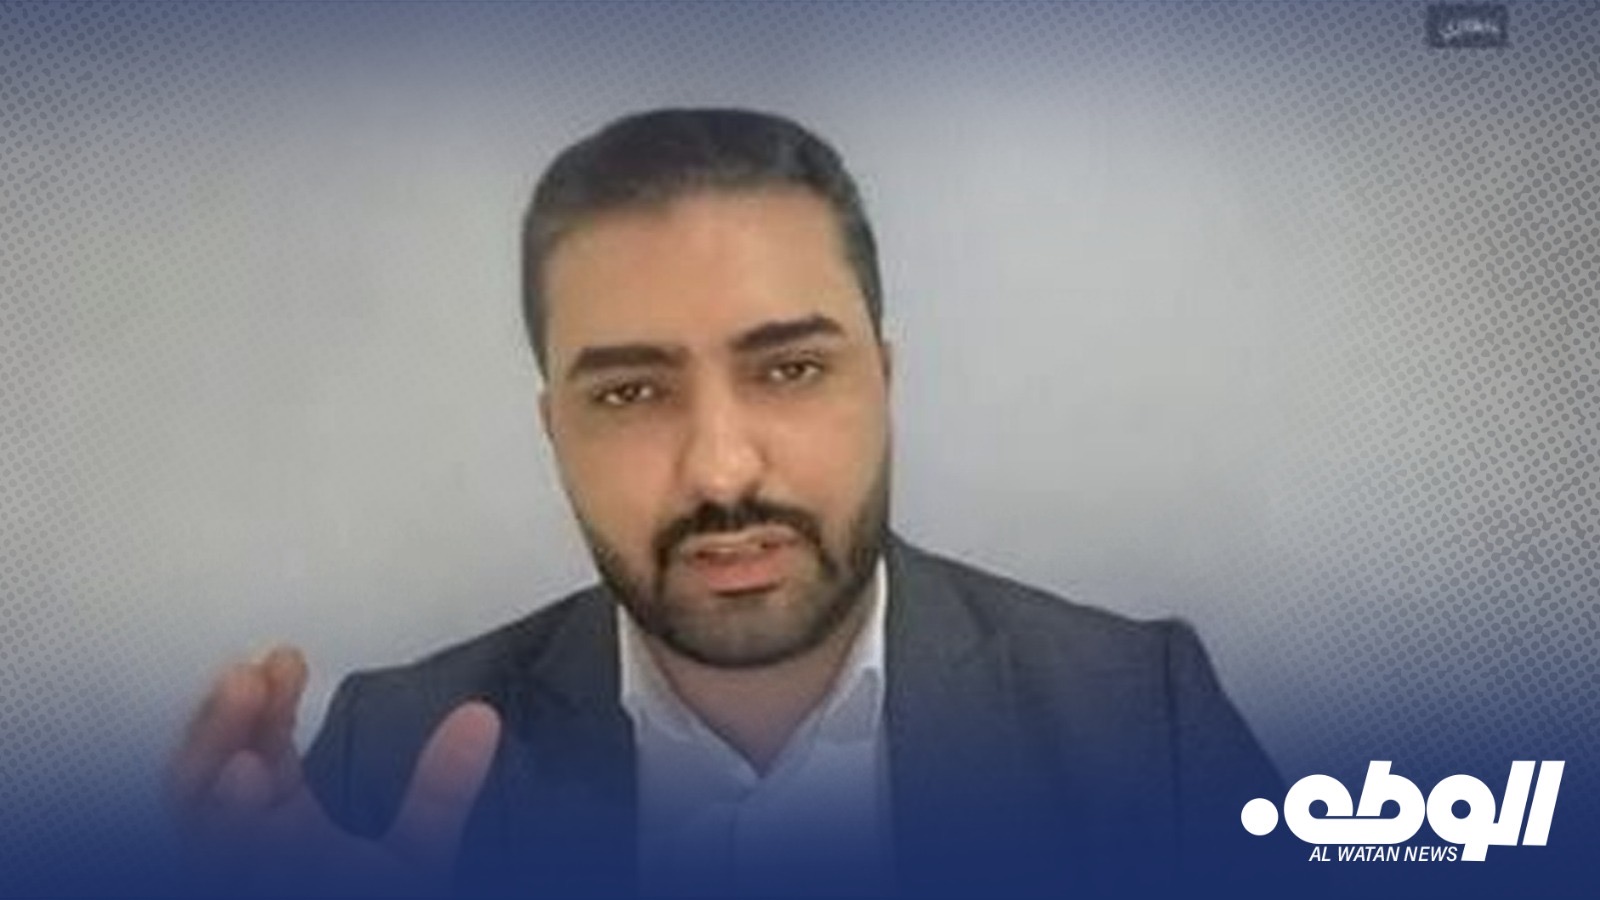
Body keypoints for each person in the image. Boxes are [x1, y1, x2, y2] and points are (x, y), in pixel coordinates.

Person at [169, 108, 1281, 898]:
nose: (719, 471)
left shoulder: (1143, 724)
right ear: (555, 429)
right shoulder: (390, 753)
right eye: (630, 392)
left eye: (790, 369)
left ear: (883, 382)